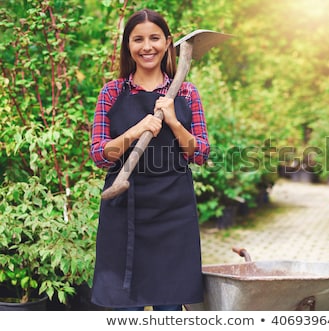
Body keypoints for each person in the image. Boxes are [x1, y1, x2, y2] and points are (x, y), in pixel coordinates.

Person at [90, 9, 210, 311]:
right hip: (124, 212)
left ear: (168, 43)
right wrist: (135, 131)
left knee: (169, 312)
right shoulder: (112, 92)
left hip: (173, 214)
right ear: (128, 45)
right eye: (138, 39)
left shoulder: (186, 93)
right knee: (124, 312)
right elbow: (99, 156)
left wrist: (173, 121)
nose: (147, 47)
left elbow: (201, 154)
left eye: (155, 38)